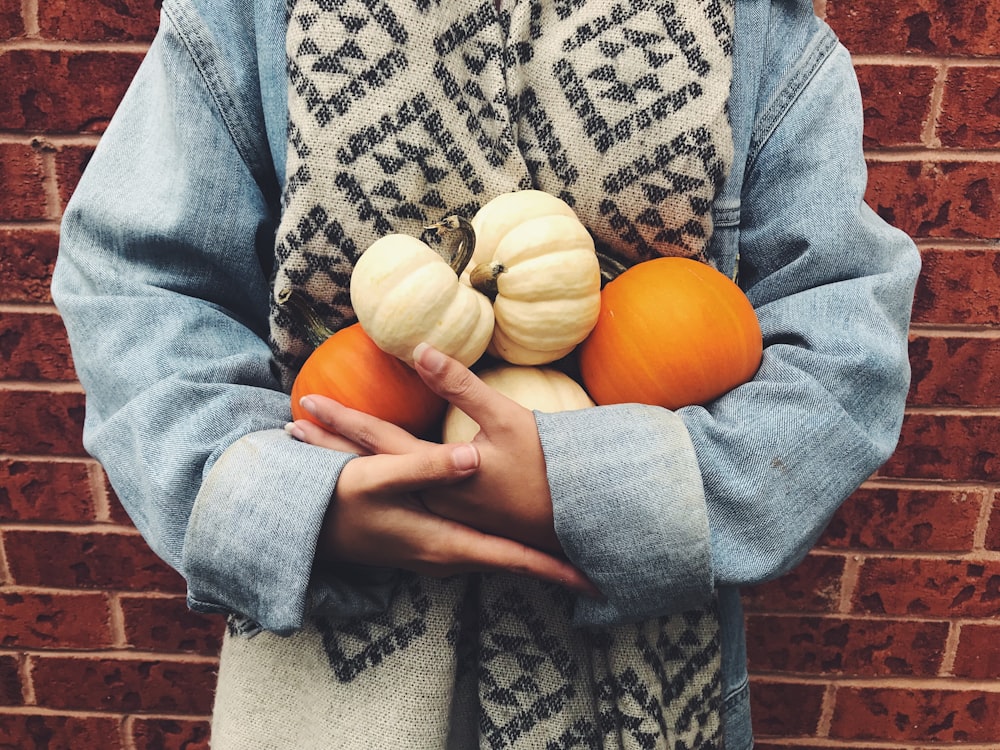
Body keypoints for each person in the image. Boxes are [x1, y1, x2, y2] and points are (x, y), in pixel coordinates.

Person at [51, 0, 920, 747]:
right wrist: (293, 505)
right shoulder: (250, 13)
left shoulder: (757, 27)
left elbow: (844, 340)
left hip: (638, 680)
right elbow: (137, 288)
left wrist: (597, 488)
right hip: (333, 662)